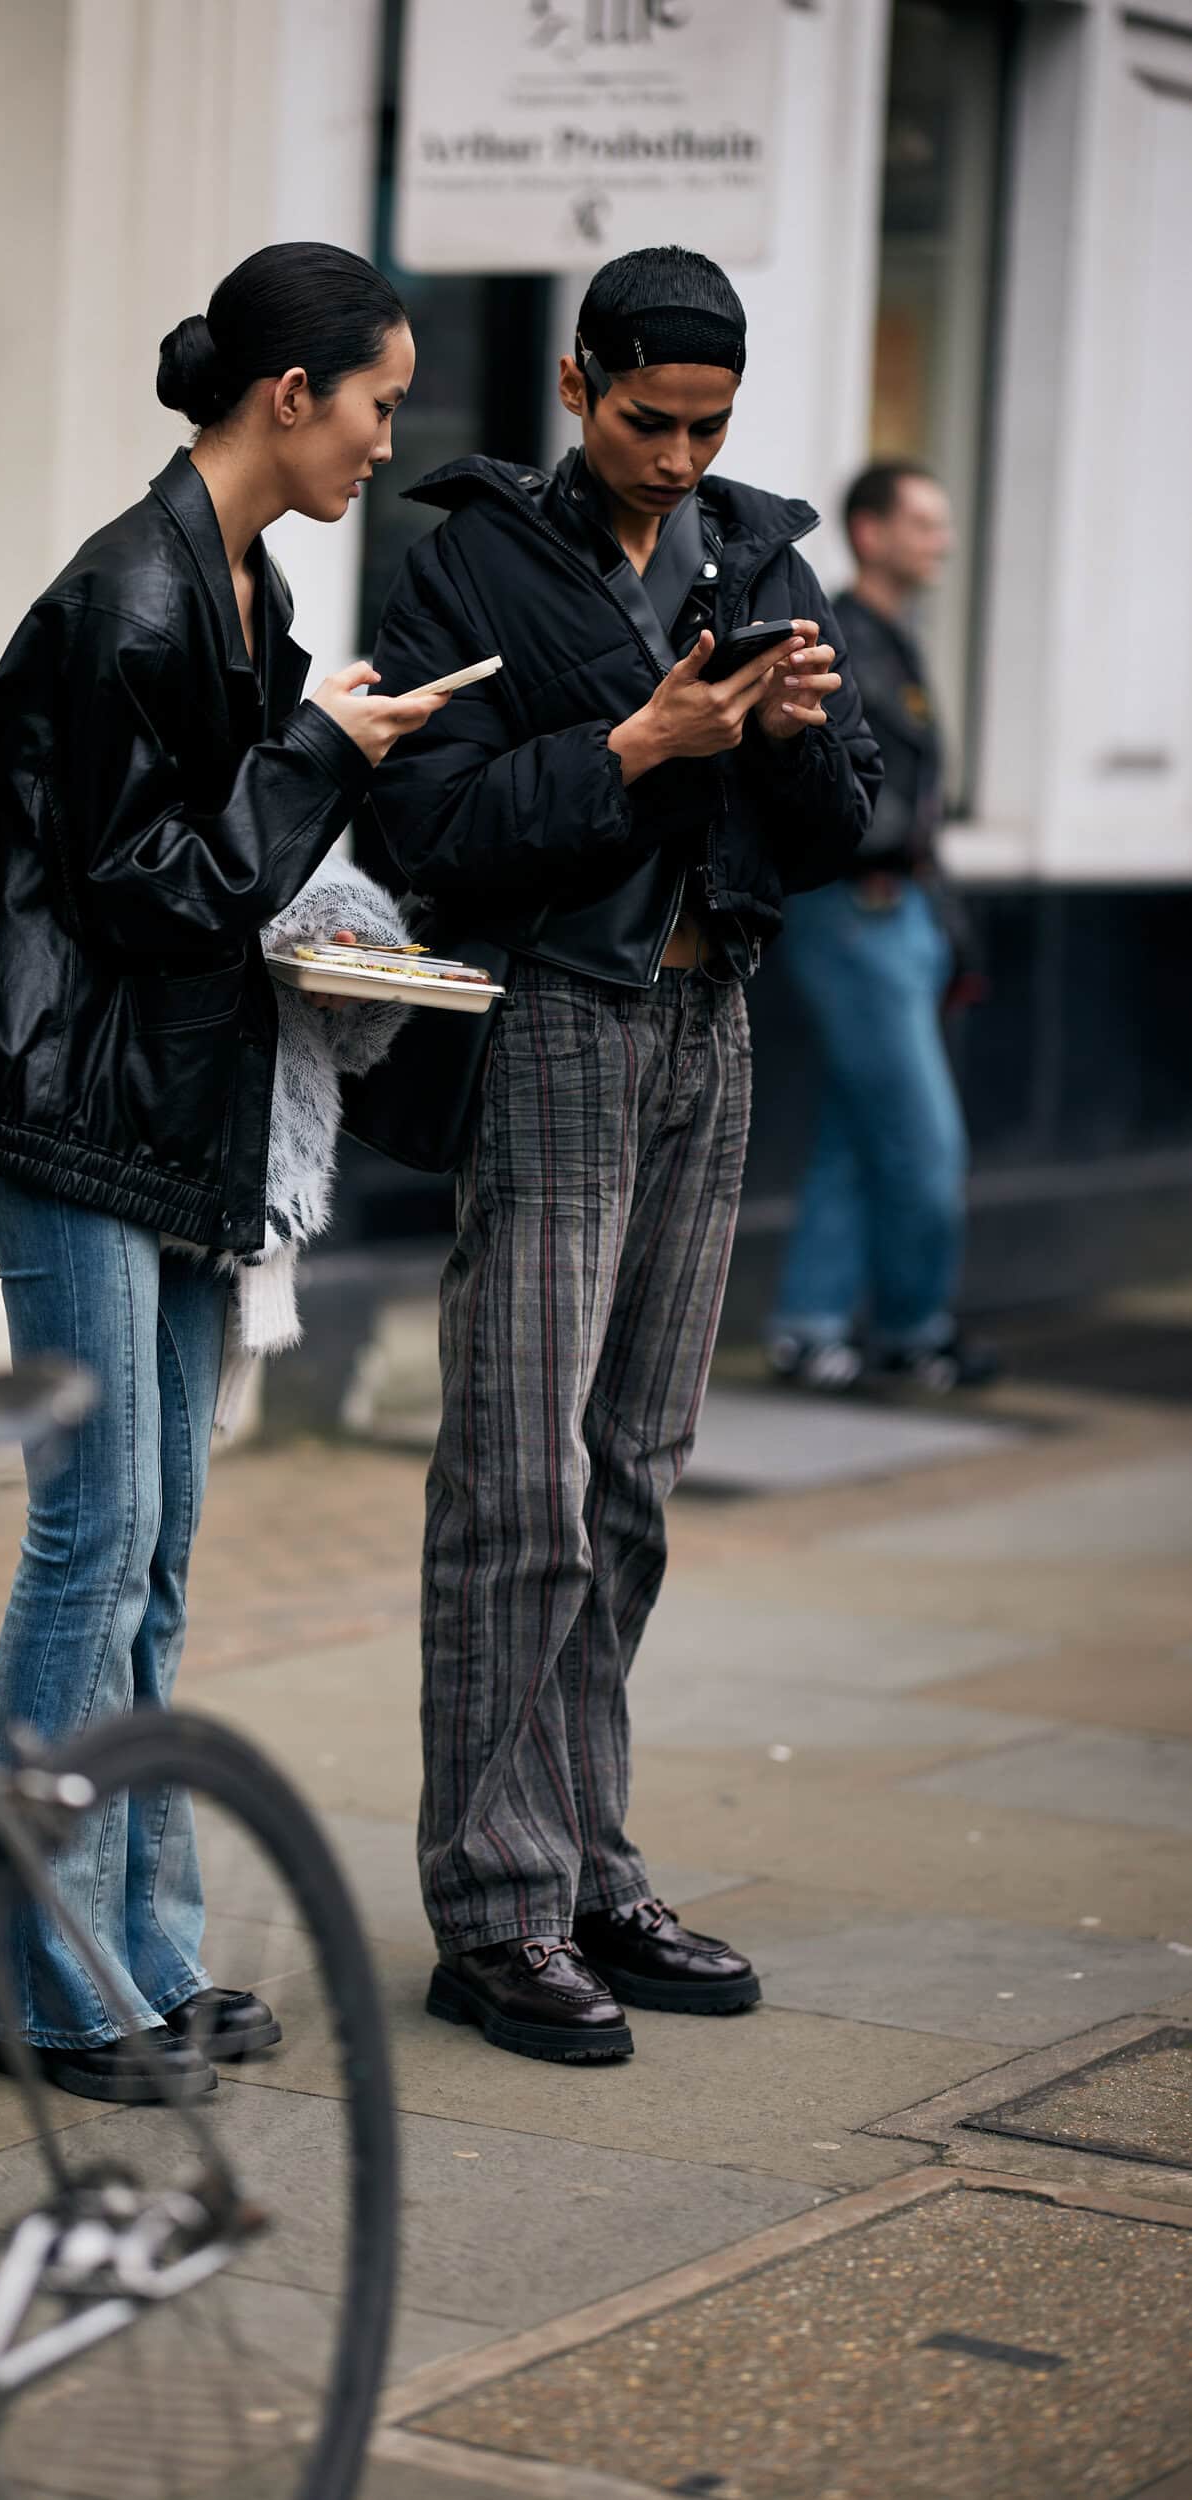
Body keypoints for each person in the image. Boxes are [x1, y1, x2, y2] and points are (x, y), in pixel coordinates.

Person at [0, 242, 443, 2103]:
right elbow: (155, 891)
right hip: (69, 1108)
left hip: (158, 1107)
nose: (386, 437)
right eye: (376, 401)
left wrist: (317, 765)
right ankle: (33, 1984)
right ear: (289, 395)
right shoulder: (132, 593)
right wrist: (317, 752)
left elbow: (208, 872)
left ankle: (136, 1958)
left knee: (150, 1554)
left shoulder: (236, 580)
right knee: (91, 1539)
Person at [365, 245, 880, 2066]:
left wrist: (793, 747)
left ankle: (587, 1866)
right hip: (554, 1029)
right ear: (578, 382)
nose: (675, 457)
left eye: (706, 427)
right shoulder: (466, 563)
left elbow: (839, 826)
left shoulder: (758, 552)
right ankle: (492, 1907)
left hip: (707, 1025)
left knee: (635, 1477)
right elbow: (425, 826)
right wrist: (634, 745)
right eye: (647, 420)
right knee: (518, 1483)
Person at [765, 460, 997, 1393]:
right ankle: (911, 1328)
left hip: (904, 913)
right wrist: (888, 850)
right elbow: (841, 783)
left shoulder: (892, 636)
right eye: (923, 523)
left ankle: (809, 1328)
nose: (943, 541)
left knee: (859, 1129)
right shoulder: (839, 636)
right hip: (857, 910)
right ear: (870, 533)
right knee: (924, 1141)